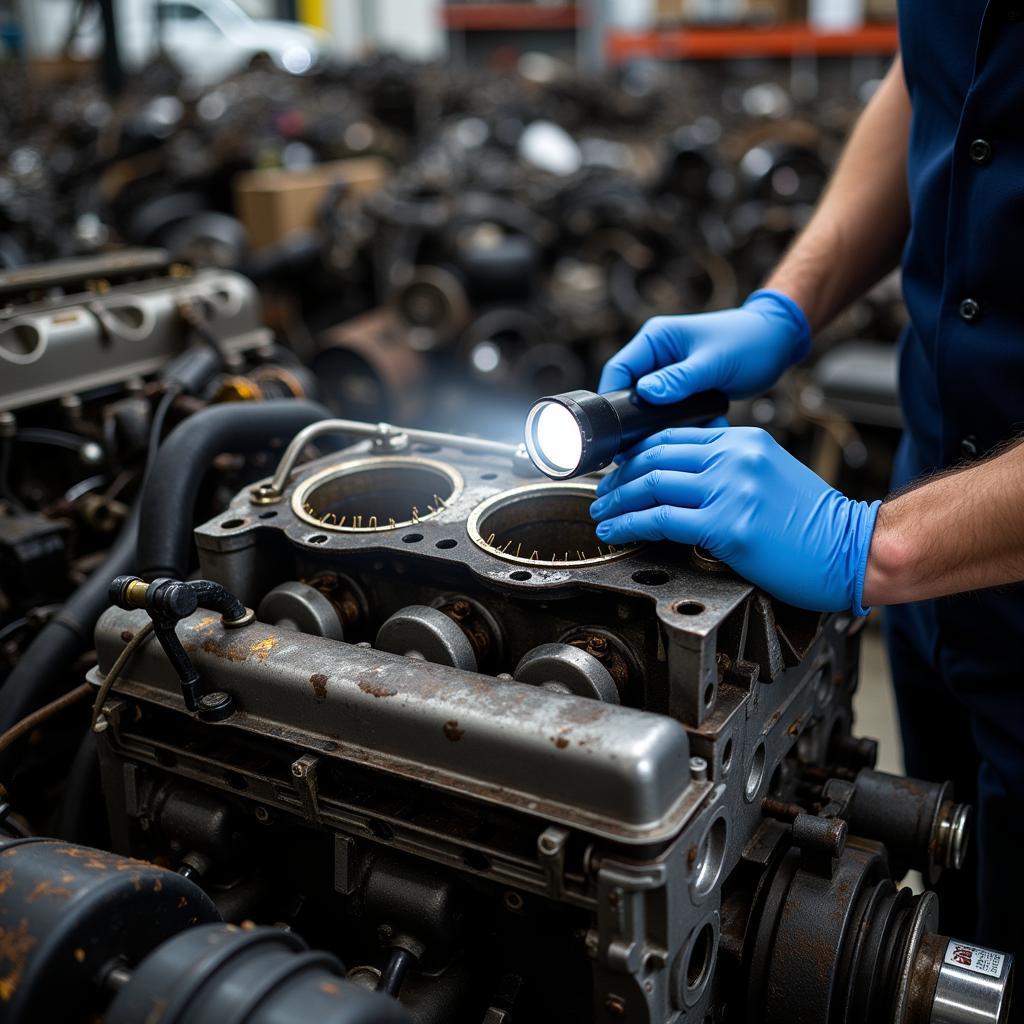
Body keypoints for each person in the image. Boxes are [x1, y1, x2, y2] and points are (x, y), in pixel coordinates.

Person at [590, 5, 1024, 997]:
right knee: (938, 927)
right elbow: (938, 76)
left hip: (939, 550)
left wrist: (878, 545)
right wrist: (784, 304)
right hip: (934, 567)